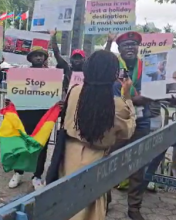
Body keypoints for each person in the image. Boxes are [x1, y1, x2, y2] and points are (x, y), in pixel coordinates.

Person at [60, 50, 136, 220]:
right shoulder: (116, 104)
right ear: (113, 73)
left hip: (68, 154)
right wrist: (127, 96)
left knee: (66, 201)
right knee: (88, 209)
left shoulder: (74, 90)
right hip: (94, 158)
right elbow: (128, 131)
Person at [105, 31, 154, 220]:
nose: (130, 48)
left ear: (138, 47)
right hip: (116, 122)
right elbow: (101, 62)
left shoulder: (148, 66)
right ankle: (105, 200)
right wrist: (136, 99)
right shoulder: (113, 65)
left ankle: (134, 208)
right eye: (126, 45)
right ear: (120, 49)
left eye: (133, 44)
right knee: (109, 161)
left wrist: (133, 99)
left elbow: (154, 92)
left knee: (139, 164)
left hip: (142, 121)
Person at [6, 49, 52, 190]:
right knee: (21, 145)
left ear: (44, 58)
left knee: (41, 147)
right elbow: (13, 92)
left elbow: (55, 94)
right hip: (24, 115)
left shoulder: (51, 75)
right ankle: (18, 173)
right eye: (36, 55)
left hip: (43, 117)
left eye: (41, 56)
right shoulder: (21, 74)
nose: (39, 58)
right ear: (30, 59)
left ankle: (37, 176)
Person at [49, 29, 85, 95]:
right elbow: (56, 54)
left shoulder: (88, 71)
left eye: (79, 58)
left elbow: (103, 61)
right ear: (71, 59)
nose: (77, 60)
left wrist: (109, 41)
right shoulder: (67, 68)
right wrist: (53, 36)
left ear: (84, 59)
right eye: (75, 57)